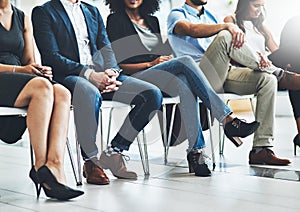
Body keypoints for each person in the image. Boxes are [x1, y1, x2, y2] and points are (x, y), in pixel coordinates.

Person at [104, 0, 260, 177]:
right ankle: (227, 119)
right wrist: (151, 63)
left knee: (185, 83)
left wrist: (164, 59)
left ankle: (195, 152)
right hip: (135, 78)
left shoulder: (152, 21)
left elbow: (158, 53)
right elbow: (117, 65)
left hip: (156, 75)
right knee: (185, 61)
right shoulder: (115, 20)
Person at [32, 0, 163, 183]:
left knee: (152, 94)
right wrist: (90, 75)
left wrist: (112, 73)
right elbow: (52, 57)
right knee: (88, 92)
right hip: (71, 76)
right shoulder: (44, 12)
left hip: (102, 74)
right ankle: (91, 161)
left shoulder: (92, 10)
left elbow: (107, 48)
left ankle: (114, 151)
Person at [167, 0, 291, 165]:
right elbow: (191, 29)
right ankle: (277, 72)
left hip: (223, 71)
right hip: (197, 74)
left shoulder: (212, 16)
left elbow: (232, 48)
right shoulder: (176, 14)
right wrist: (227, 27)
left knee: (267, 81)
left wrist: (256, 55)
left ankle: (261, 149)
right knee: (226, 34)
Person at [0, 0, 83, 200]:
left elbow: (28, 61)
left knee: (62, 92)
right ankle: (40, 166)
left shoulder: (21, 17)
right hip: (5, 77)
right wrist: (20, 70)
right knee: (42, 87)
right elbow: (22, 68)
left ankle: (55, 166)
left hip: (20, 80)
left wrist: (38, 69)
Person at [223, 0, 300, 155]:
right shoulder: (230, 21)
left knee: (295, 65)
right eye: (256, 6)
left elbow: (277, 51)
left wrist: (279, 61)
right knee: (292, 70)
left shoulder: (261, 26)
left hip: (267, 68)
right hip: (245, 70)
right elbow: (232, 53)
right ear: (244, 4)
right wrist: (258, 57)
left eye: (262, 6)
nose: (260, 10)